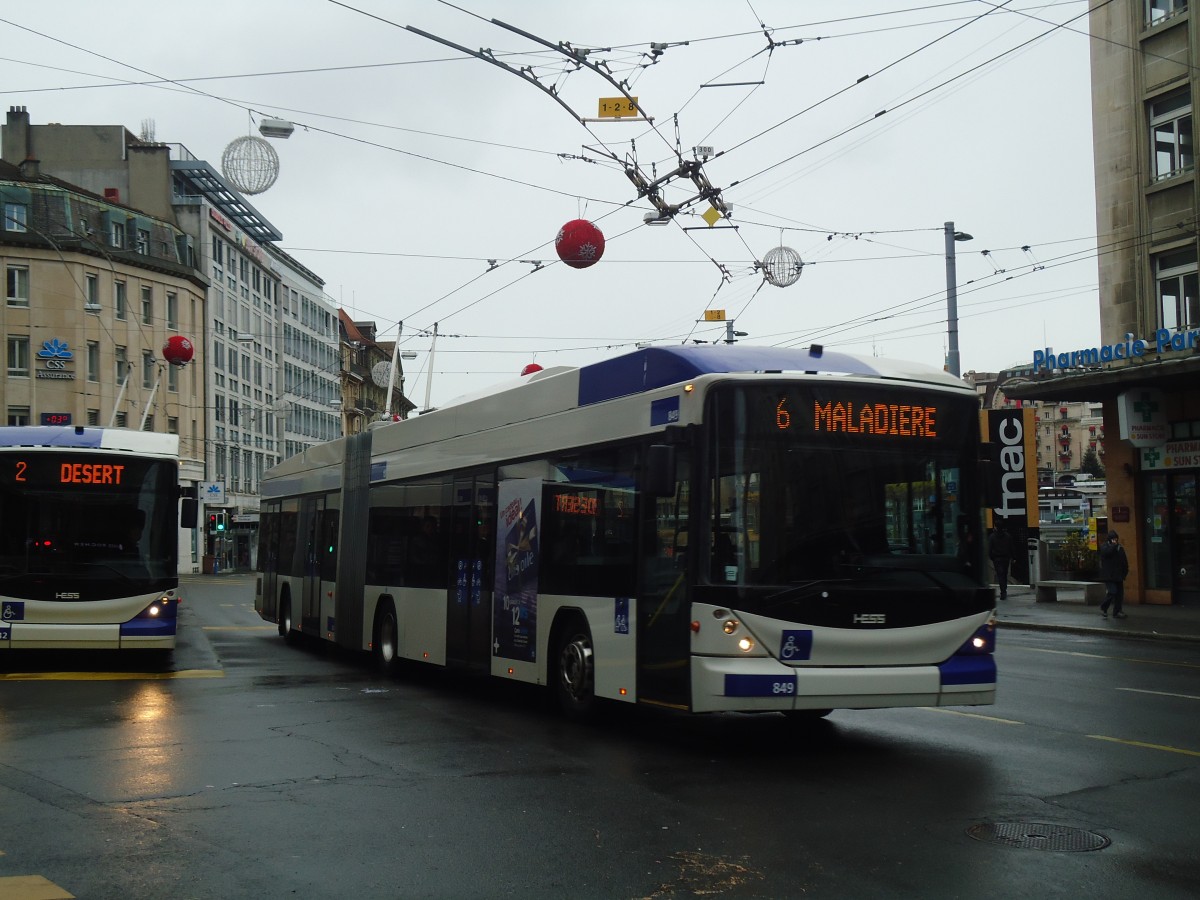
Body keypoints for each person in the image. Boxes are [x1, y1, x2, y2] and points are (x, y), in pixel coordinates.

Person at [1098, 530, 1129, 619]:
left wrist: (1125, 572)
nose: (1115, 541)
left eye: (1116, 539)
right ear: (1109, 540)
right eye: (1113, 539)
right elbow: (1107, 553)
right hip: (1109, 575)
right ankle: (1104, 607)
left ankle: (1117, 611)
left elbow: (1124, 561)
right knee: (1112, 591)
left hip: (1118, 575)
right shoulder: (1105, 547)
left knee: (1119, 595)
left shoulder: (1119, 548)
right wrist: (1113, 546)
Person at [988, 523, 1014, 601]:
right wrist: (1013, 557)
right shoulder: (1008, 536)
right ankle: (1004, 590)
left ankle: (1003, 592)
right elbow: (1011, 547)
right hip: (1006, 558)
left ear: (996, 527)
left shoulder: (992, 536)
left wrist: (992, 557)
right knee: (1004, 574)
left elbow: (990, 548)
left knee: (1000, 575)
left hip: (997, 559)